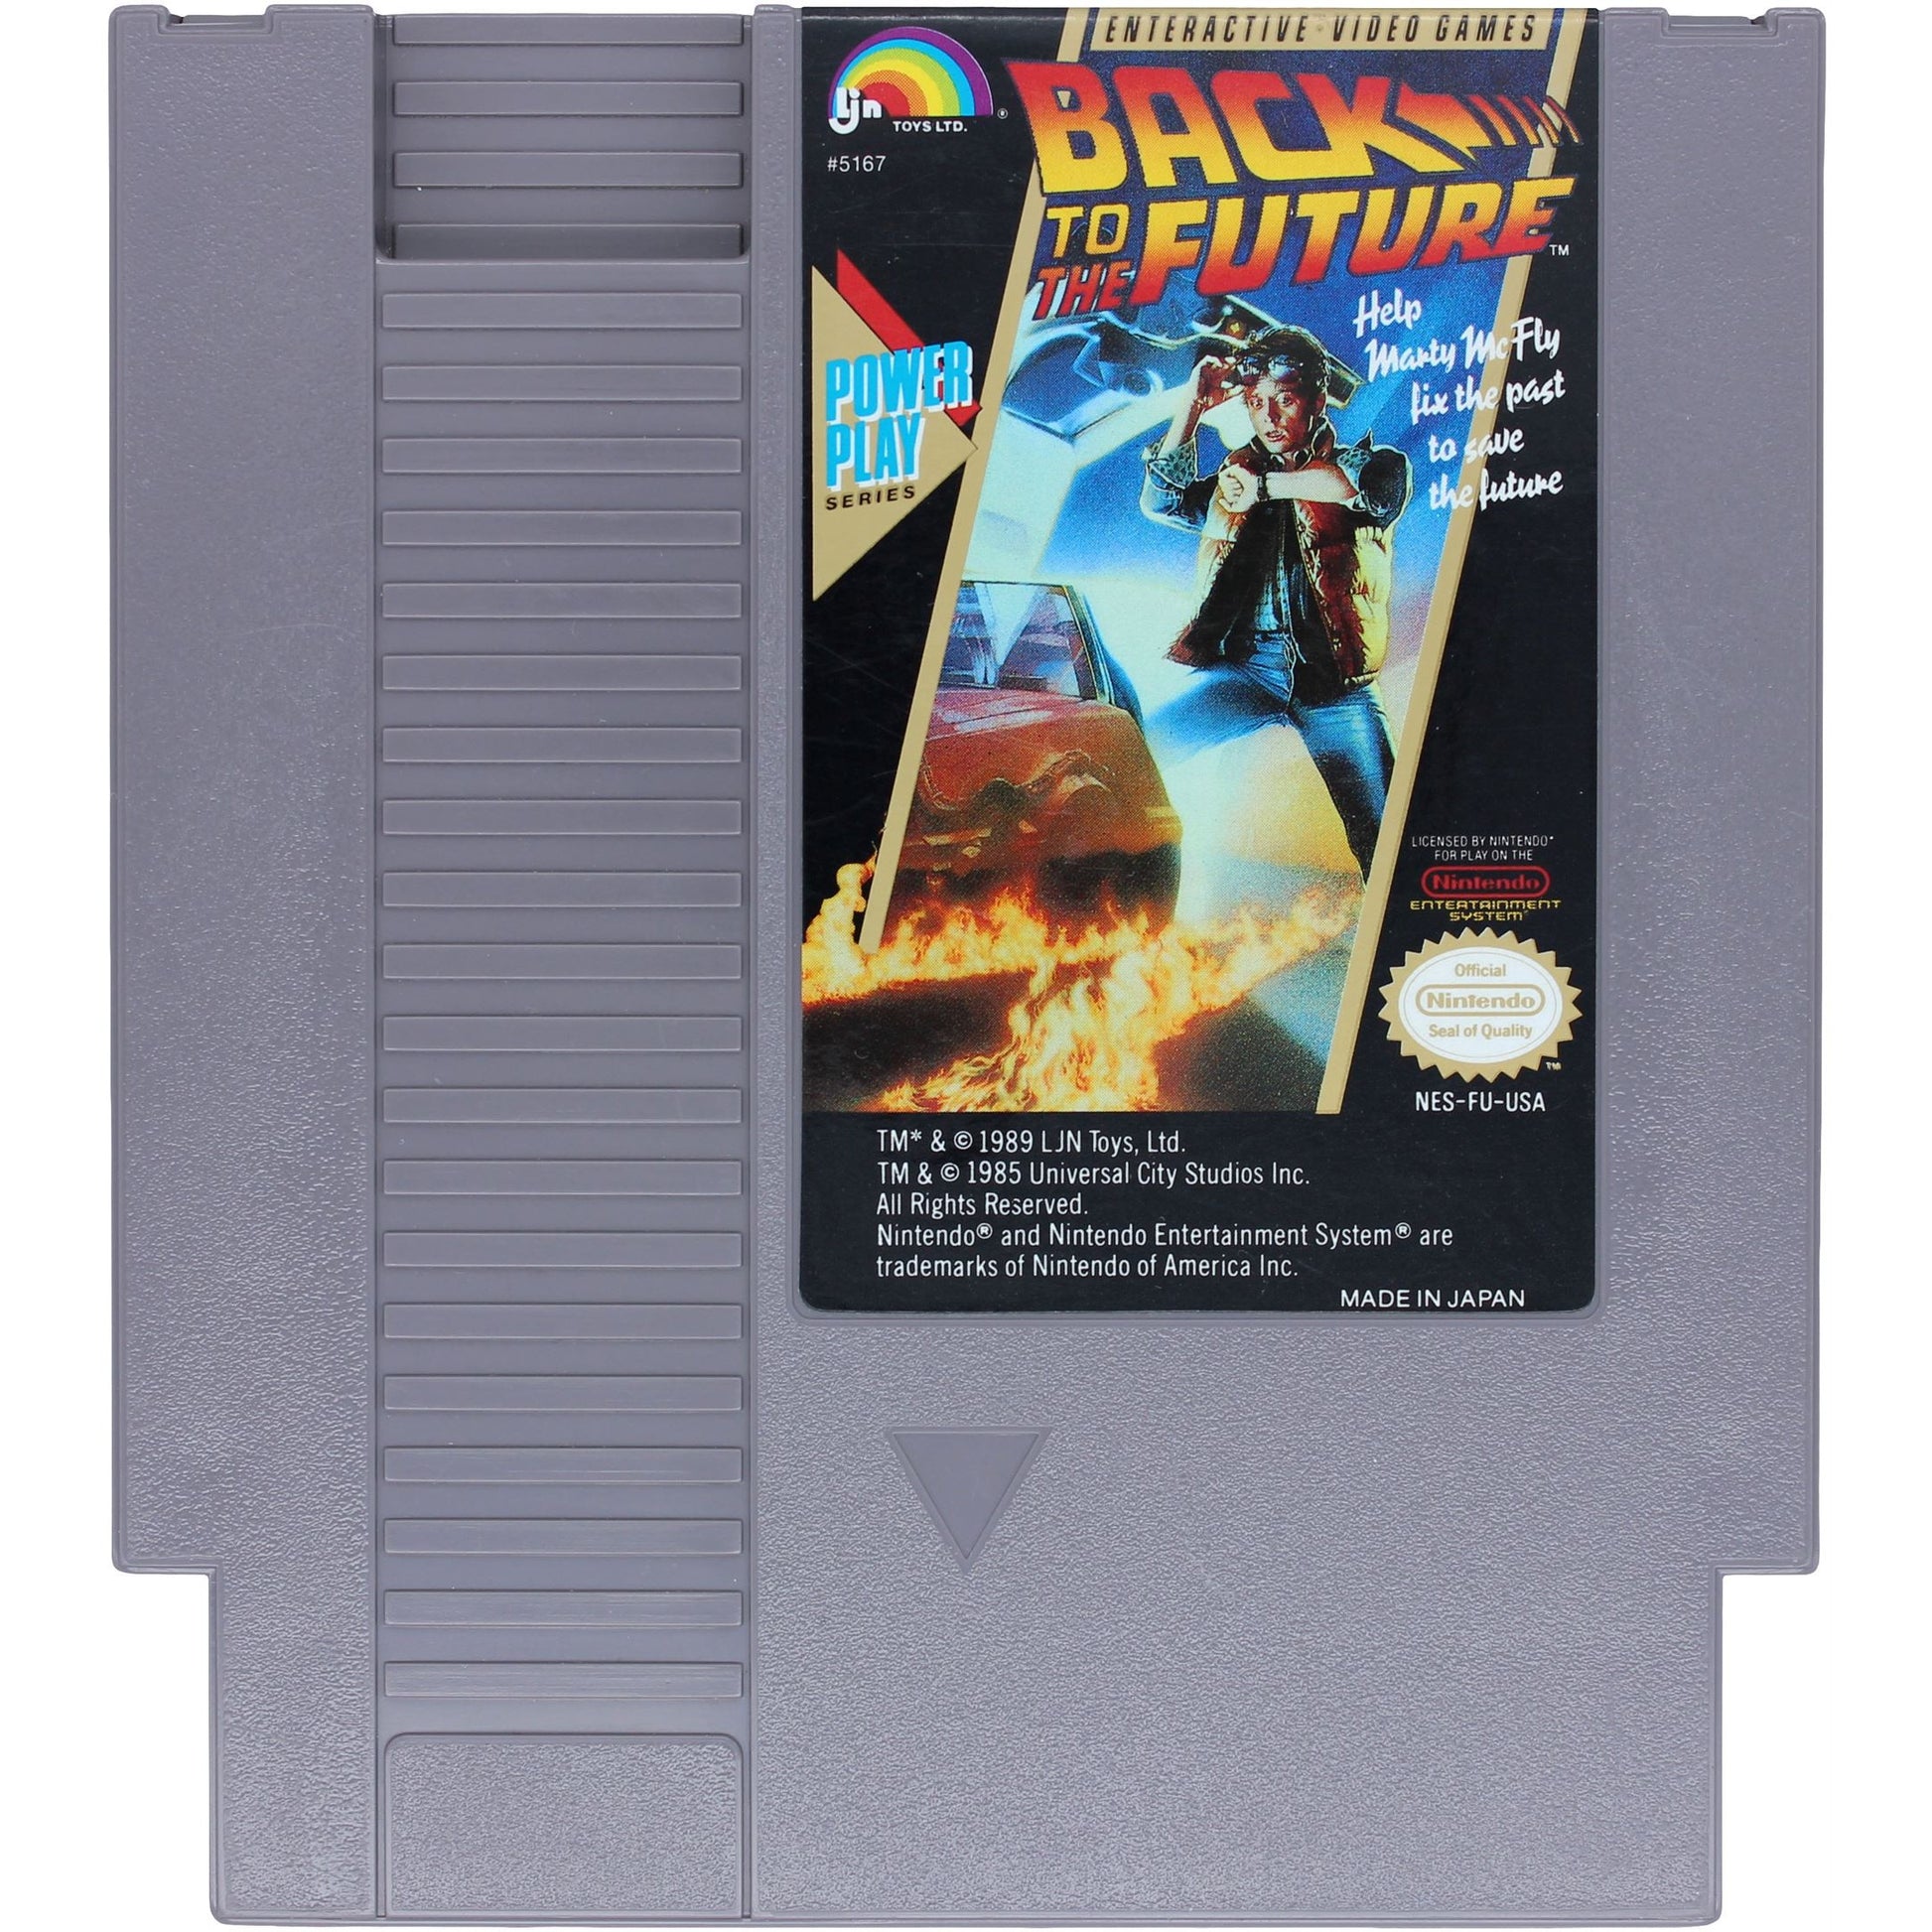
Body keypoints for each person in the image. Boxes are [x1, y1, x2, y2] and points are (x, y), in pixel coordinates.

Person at [1141, 326, 1411, 877]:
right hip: (1245, 670)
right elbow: (1161, 502)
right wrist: (1191, 409)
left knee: (1386, 839)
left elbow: (1363, 487)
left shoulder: (1369, 464)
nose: (1268, 417)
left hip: (1335, 684)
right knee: (1139, 752)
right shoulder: (1234, 480)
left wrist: (1266, 488)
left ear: (1316, 399)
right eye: (1256, 402)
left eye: (1284, 399)